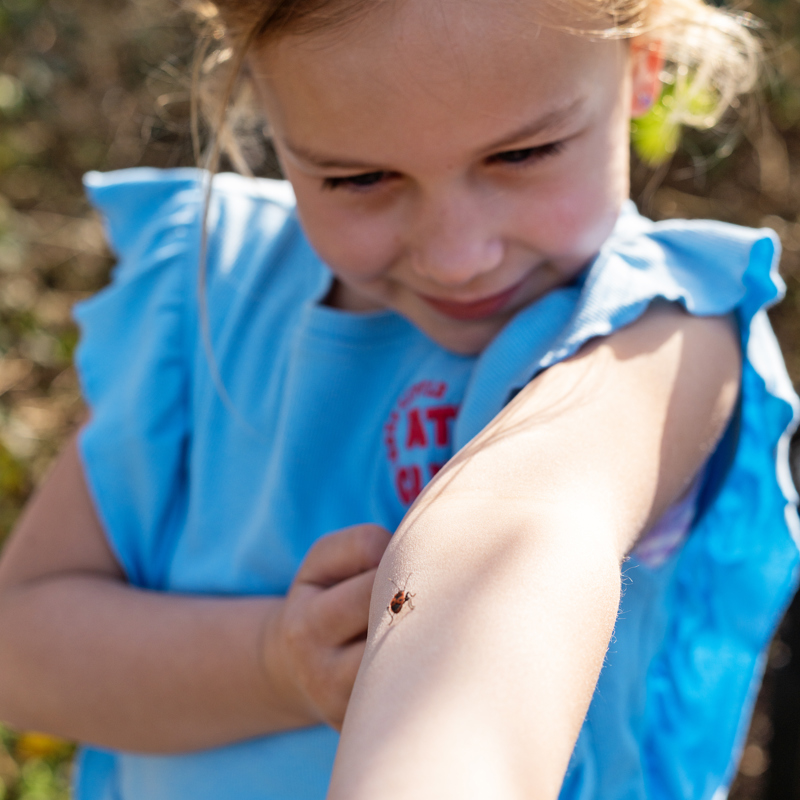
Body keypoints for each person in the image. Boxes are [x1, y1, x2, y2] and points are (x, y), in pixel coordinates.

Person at [0, 0, 796, 797]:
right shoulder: (206, 294)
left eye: (524, 153)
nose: (458, 257)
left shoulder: (657, 336)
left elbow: (516, 532)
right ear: (263, 113)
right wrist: (277, 661)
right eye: (359, 178)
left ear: (644, 68)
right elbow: (21, 641)